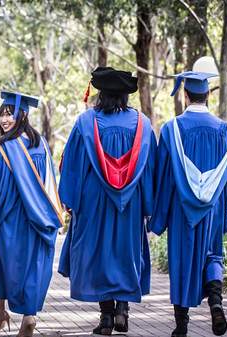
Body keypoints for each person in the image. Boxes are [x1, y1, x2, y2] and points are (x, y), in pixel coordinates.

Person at [57, 67, 156, 335]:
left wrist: (70, 199)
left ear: (101, 94)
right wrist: (148, 204)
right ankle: (123, 309)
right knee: (126, 252)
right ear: (125, 95)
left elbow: (73, 166)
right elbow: (149, 168)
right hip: (130, 203)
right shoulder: (142, 124)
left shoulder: (86, 122)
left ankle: (106, 318)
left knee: (99, 254)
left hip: (94, 201)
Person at [149, 71, 227, 337]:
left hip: (181, 210)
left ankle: (182, 324)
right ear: (208, 95)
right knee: (212, 255)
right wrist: (221, 215)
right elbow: (224, 178)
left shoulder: (172, 129)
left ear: (185, 96)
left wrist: (157, 216)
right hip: (212, 209)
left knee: (182, 260)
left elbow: (163, 175)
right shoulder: (222, 129)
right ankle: (216, 303)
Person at [0, 91, 65, 337]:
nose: (5, 120)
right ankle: (29, 315)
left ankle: (0, 314)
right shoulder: (42, 146)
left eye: (10, 114)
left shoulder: (4, 147)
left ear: (23, 115)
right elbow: (49, 184)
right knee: (31, 267)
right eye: (2, 116)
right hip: (37, 220)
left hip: (8, 220)